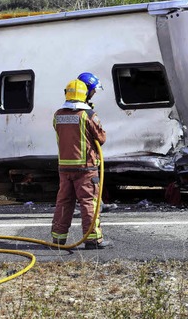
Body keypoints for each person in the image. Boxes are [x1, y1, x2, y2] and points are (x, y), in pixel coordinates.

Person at [52, 72, 109, 249]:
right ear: (86, 93)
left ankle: (58, 239)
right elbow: (101, 138)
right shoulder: (87, 115)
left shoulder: (58, 114)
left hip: (65, 168)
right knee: (89, 202)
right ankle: (93, 239)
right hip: (86, 168)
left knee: (63, 202)